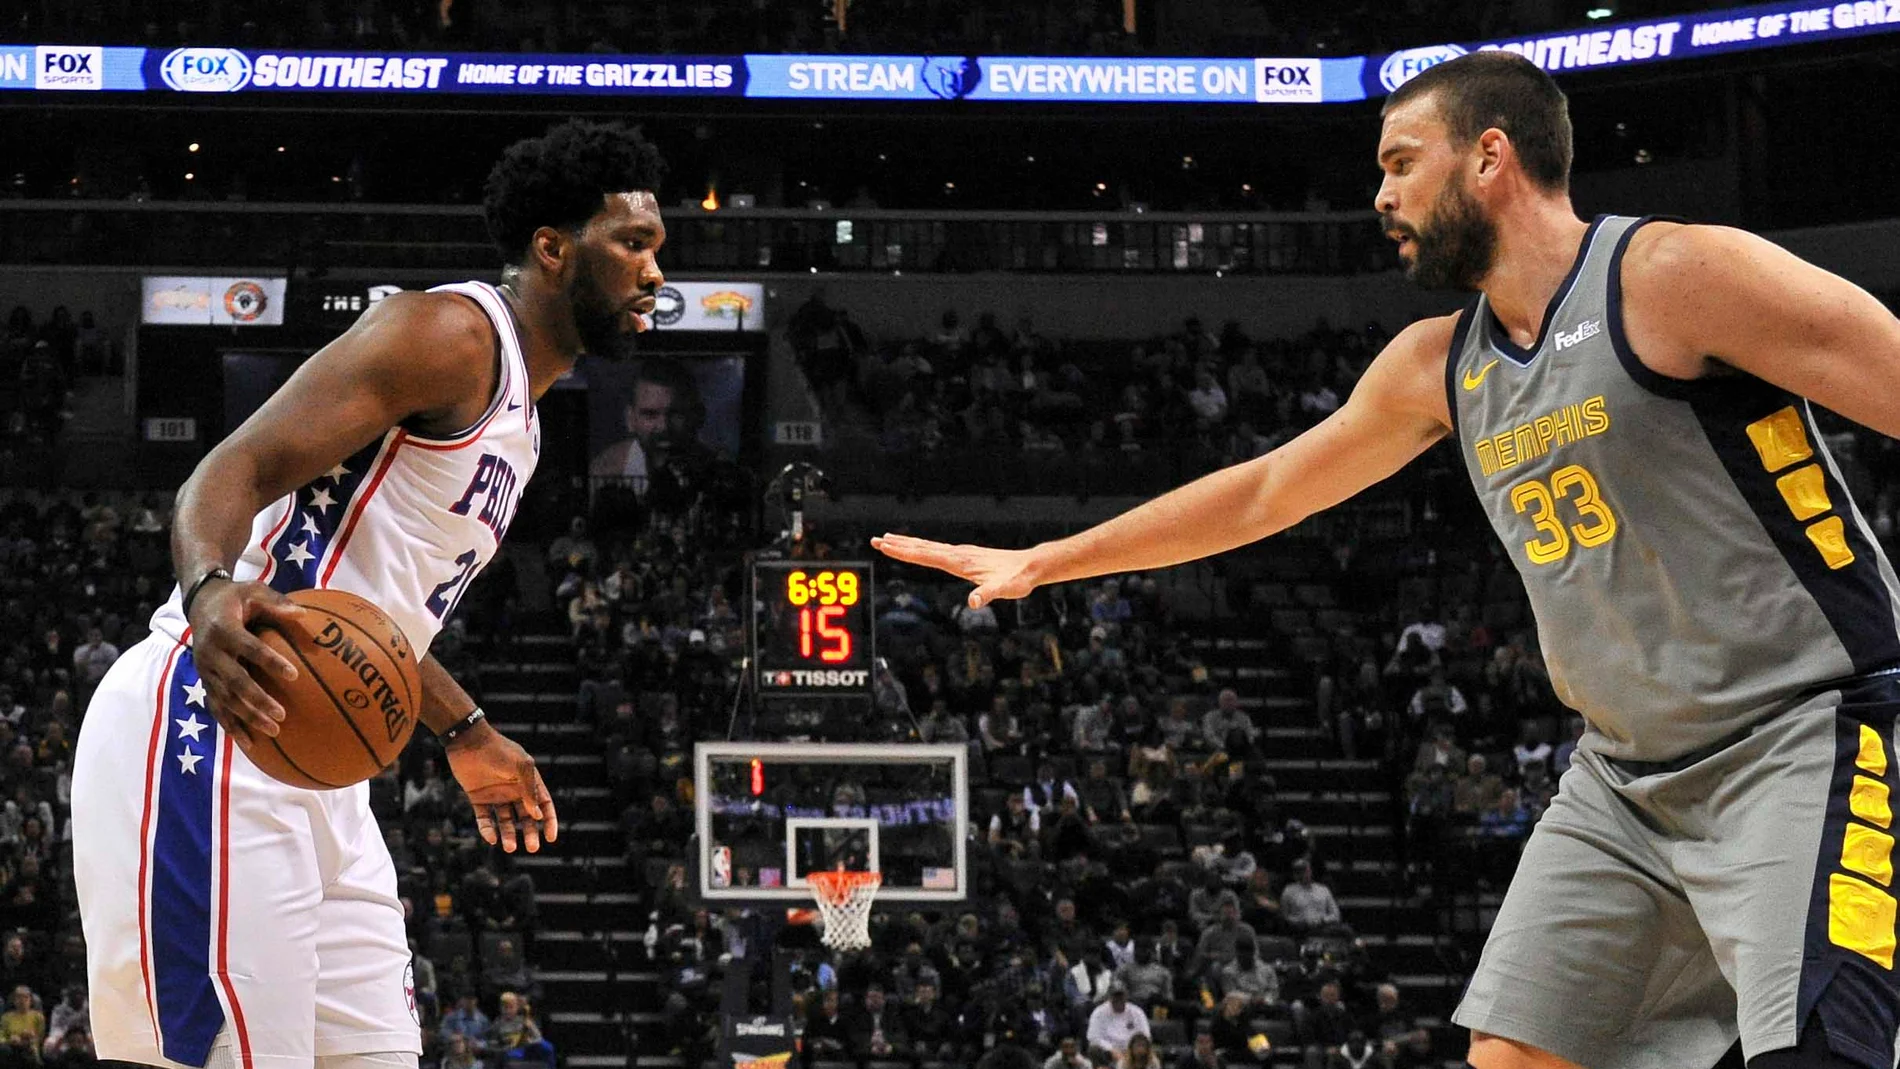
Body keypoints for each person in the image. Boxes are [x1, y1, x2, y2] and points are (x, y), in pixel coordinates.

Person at [875, 49, 1900, 1069]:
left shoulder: (1677, 276)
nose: (1380, 194)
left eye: (1402, 161)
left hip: (1802, 732)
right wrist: (1052, 558)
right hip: (1624, 775)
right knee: (1513, 1058)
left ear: (1489, 157)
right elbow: (1268, 490)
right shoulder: (1434, 364)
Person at [74, 119, 668, 1069]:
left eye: (656, 249)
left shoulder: (523, 425)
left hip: (323, 767)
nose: (654, 272)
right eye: (632, 243)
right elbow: (230, 471)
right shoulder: (448, 334)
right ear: (554, 250)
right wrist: (211, 588)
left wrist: (465, 728)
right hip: (218, 712)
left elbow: (370, 617)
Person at [587, 355, 707, 483]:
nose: (663, 426)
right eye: (650, 415)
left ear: (698, 416)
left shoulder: (721, 475)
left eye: (676, 414)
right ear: (630, 419)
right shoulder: (605, 473)